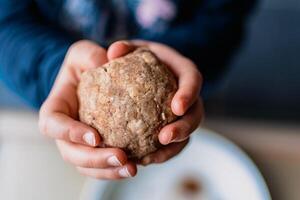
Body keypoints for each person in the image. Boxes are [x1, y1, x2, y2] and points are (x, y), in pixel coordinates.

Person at [0, 0, 256, 179]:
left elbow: (223, 18)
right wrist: (56, 69)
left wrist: (183, 62)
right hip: (57, 60)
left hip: (180, 65)